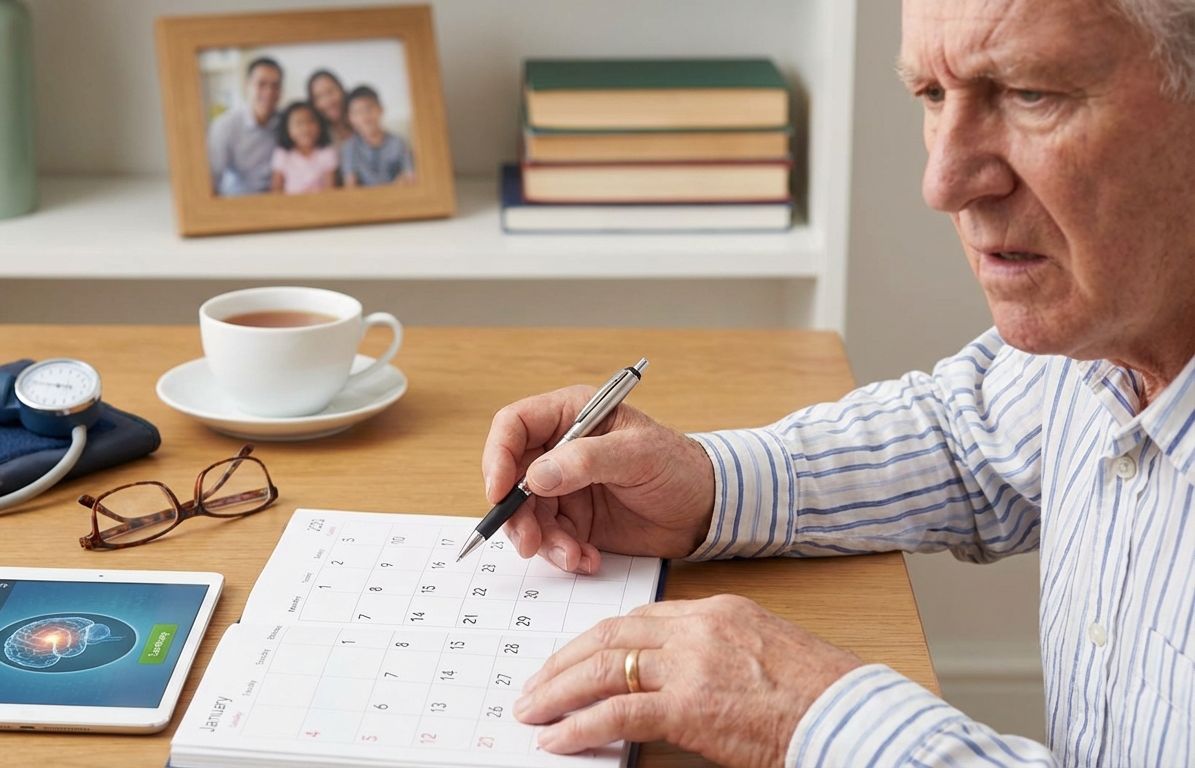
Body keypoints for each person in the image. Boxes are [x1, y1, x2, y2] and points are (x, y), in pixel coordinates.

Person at [485, 0, 1195, 765]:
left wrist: (813, 715)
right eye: (930, 94)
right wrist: (707, 486)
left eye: (1030, 93)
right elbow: (965, 437)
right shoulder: (1108, 335)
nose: (943, 181)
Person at [207, 57, 283, 196]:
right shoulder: (225, 126)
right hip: (240, 200)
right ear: (247, 85)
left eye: (275, 85)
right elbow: (213, 177)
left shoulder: (286, 121)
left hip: (277, 200)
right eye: (262, 84)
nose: (269, 92)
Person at [340, 85, 415, 187]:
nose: (365, 115)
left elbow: (410, 176)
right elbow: (351, 185)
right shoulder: (350, 147)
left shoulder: (398, 143)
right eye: (358, 111)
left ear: (381, 109)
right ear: (351, 118)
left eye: (369, 108)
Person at [270, 101, 338, 195]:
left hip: (320, 204)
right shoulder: (283, 153)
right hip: (290, 206)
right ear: (287, 129)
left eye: (310, 121)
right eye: (298, 123)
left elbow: (330, 189)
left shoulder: (327, 152)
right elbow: (276, 190)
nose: (305, 128)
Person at [307, 69, 354, 149]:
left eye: (330, 91)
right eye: (319, 97)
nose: (328, 101)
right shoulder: (315, 136)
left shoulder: (362, 120)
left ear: (341, 90)